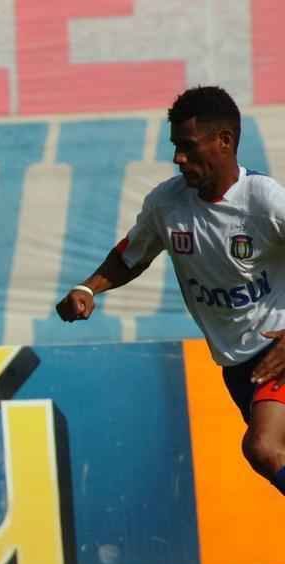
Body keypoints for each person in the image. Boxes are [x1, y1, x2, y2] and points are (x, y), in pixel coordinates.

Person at [55, 85, 285, 496]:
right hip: (236, 366)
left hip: (277, 348)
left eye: (187, 146)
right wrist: (87, 289)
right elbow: (130, 255)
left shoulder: (264, 201)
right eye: (175, 146)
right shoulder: (167, 204)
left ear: (224, 141)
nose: (179, 158)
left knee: (264, 447)